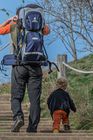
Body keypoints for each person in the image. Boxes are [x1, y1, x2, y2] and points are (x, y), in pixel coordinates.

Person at [0, 4, 50, 132]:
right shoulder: (40, 28)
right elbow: (47, 31)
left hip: (19, 66)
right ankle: (32, 128)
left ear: (19, 15)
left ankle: (18, 117)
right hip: (36, 67)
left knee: (16, 96)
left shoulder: (13, 26)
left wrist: (10, 20)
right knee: (35, 100)